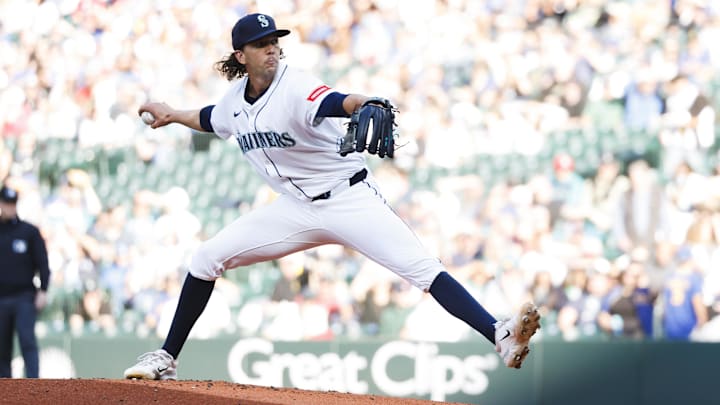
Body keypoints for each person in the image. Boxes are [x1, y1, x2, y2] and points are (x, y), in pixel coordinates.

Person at [123, 13, 541, 380]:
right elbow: (211, 118)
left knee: (424, 270)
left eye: (274, 43)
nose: (271, 50)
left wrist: (365, 102)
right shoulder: (234, 102)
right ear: (240, 56)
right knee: (205, 258)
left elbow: (336, 102)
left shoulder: (295, 85)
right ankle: (167, 356)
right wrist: (173, 114)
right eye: (261, 45)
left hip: (348, 199)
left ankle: (500, 335)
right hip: (293, 209)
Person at [0, 185, 51, 378]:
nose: (9, 208)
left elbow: (43, 263)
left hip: (24, 297)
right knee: (1, 347)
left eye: (12, 204)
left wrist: (44, 289)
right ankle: (4, 389)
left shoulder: (29, 232)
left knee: (27, 340)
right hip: (1, 298)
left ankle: (33, 385)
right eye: (6, 204)